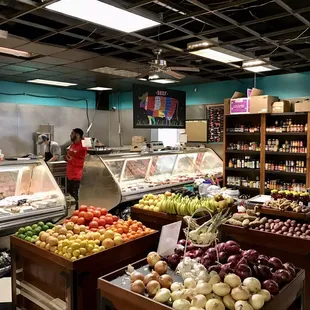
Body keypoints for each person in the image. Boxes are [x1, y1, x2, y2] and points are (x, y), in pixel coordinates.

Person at [65, 128, 87, 210]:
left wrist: (72, 160)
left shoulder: (84, 146)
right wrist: (67, 158)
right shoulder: (73, 145)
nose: (70, 135)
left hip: (77, 176)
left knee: (78, 197)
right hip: (70, 175)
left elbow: (86, 161)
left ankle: (79, 213)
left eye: (72, 133)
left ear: (77, 135)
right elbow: (71, 154)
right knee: (72, 194)